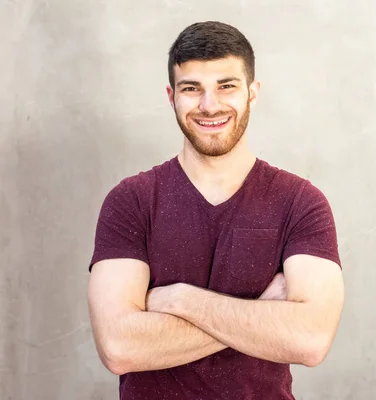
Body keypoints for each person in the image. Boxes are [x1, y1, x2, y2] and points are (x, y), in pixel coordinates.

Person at [87, 21, 344, 400]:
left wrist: (179, 301)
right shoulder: (131, 201)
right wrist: (260, 315)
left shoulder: (300, 202)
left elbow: (310, 339)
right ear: (171, 95)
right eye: (192, 89)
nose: (210, 105)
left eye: (227, 86)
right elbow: (119, 348)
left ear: (252, 93)